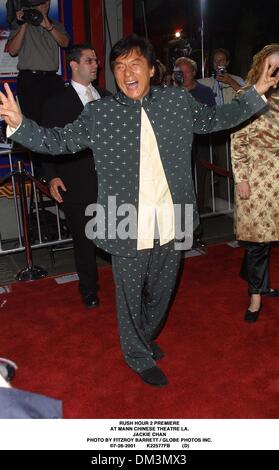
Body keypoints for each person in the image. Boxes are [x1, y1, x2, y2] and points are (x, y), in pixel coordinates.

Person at [1, 34, 277, 387]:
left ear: (150, 68)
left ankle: (143, 338)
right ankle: (135, 353)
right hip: (124, 219)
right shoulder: (100, 113)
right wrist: (20, 124)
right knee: (129, 295)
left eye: (134, 64)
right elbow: (60, 142)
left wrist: (256, 91)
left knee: (163, 291)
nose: (127, 72)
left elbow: (216, 120)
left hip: (172, 216)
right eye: (119, 66)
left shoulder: (177, 101)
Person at [41, 44, 111, 308]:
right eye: (90, 60)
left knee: (117, 234)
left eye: (96, 60)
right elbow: (47, 141)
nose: (96, 65)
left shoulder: (106, 97)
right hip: (75, 180)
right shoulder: (56, 102)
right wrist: (52, 177)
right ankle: (89, 289)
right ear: (73, 64)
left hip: (109, 180)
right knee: (84, 241)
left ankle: (130, 283)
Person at [231, 43, 279, 323]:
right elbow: (239, 143)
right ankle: (255, 297)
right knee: (258, 242)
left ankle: (260, 281)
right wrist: (242, 180)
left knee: (270, 237)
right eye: (271, 64)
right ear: (261, 65)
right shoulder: (247, 96)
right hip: (257, 179)